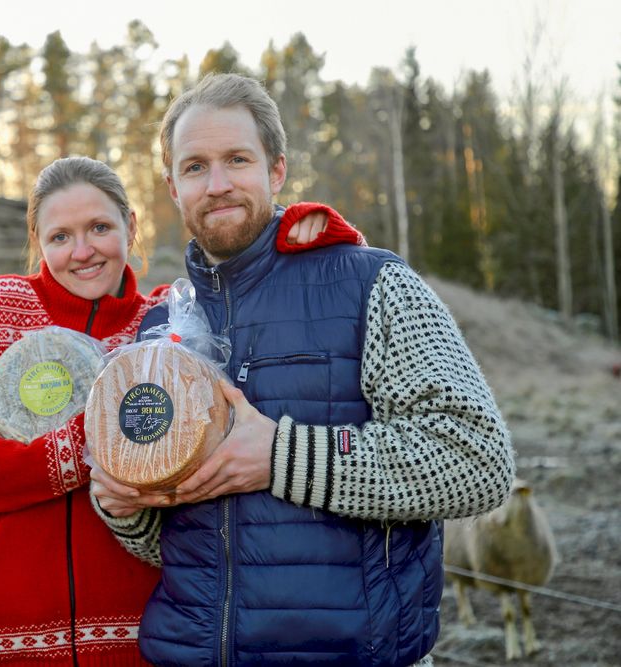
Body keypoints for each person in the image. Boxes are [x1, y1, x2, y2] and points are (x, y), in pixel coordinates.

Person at [90, 73, 516, 667]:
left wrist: (282, 457)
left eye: (237, 159)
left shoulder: (372, 284)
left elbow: (479, 463)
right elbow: (178, 546)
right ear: (171, 187)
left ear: (277, 170)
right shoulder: (161, 329)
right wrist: (124, 507)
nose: (217, 185)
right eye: (194, 167)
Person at [0, 154, 338, 666]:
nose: (83, 251)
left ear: (130, 227)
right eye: (60, 236)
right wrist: (100, 441)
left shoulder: (166, 323)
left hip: (142, 635)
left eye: (99, 227)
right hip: (6, 629)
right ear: (38, 242)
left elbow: (265, 294)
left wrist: (304, 230)